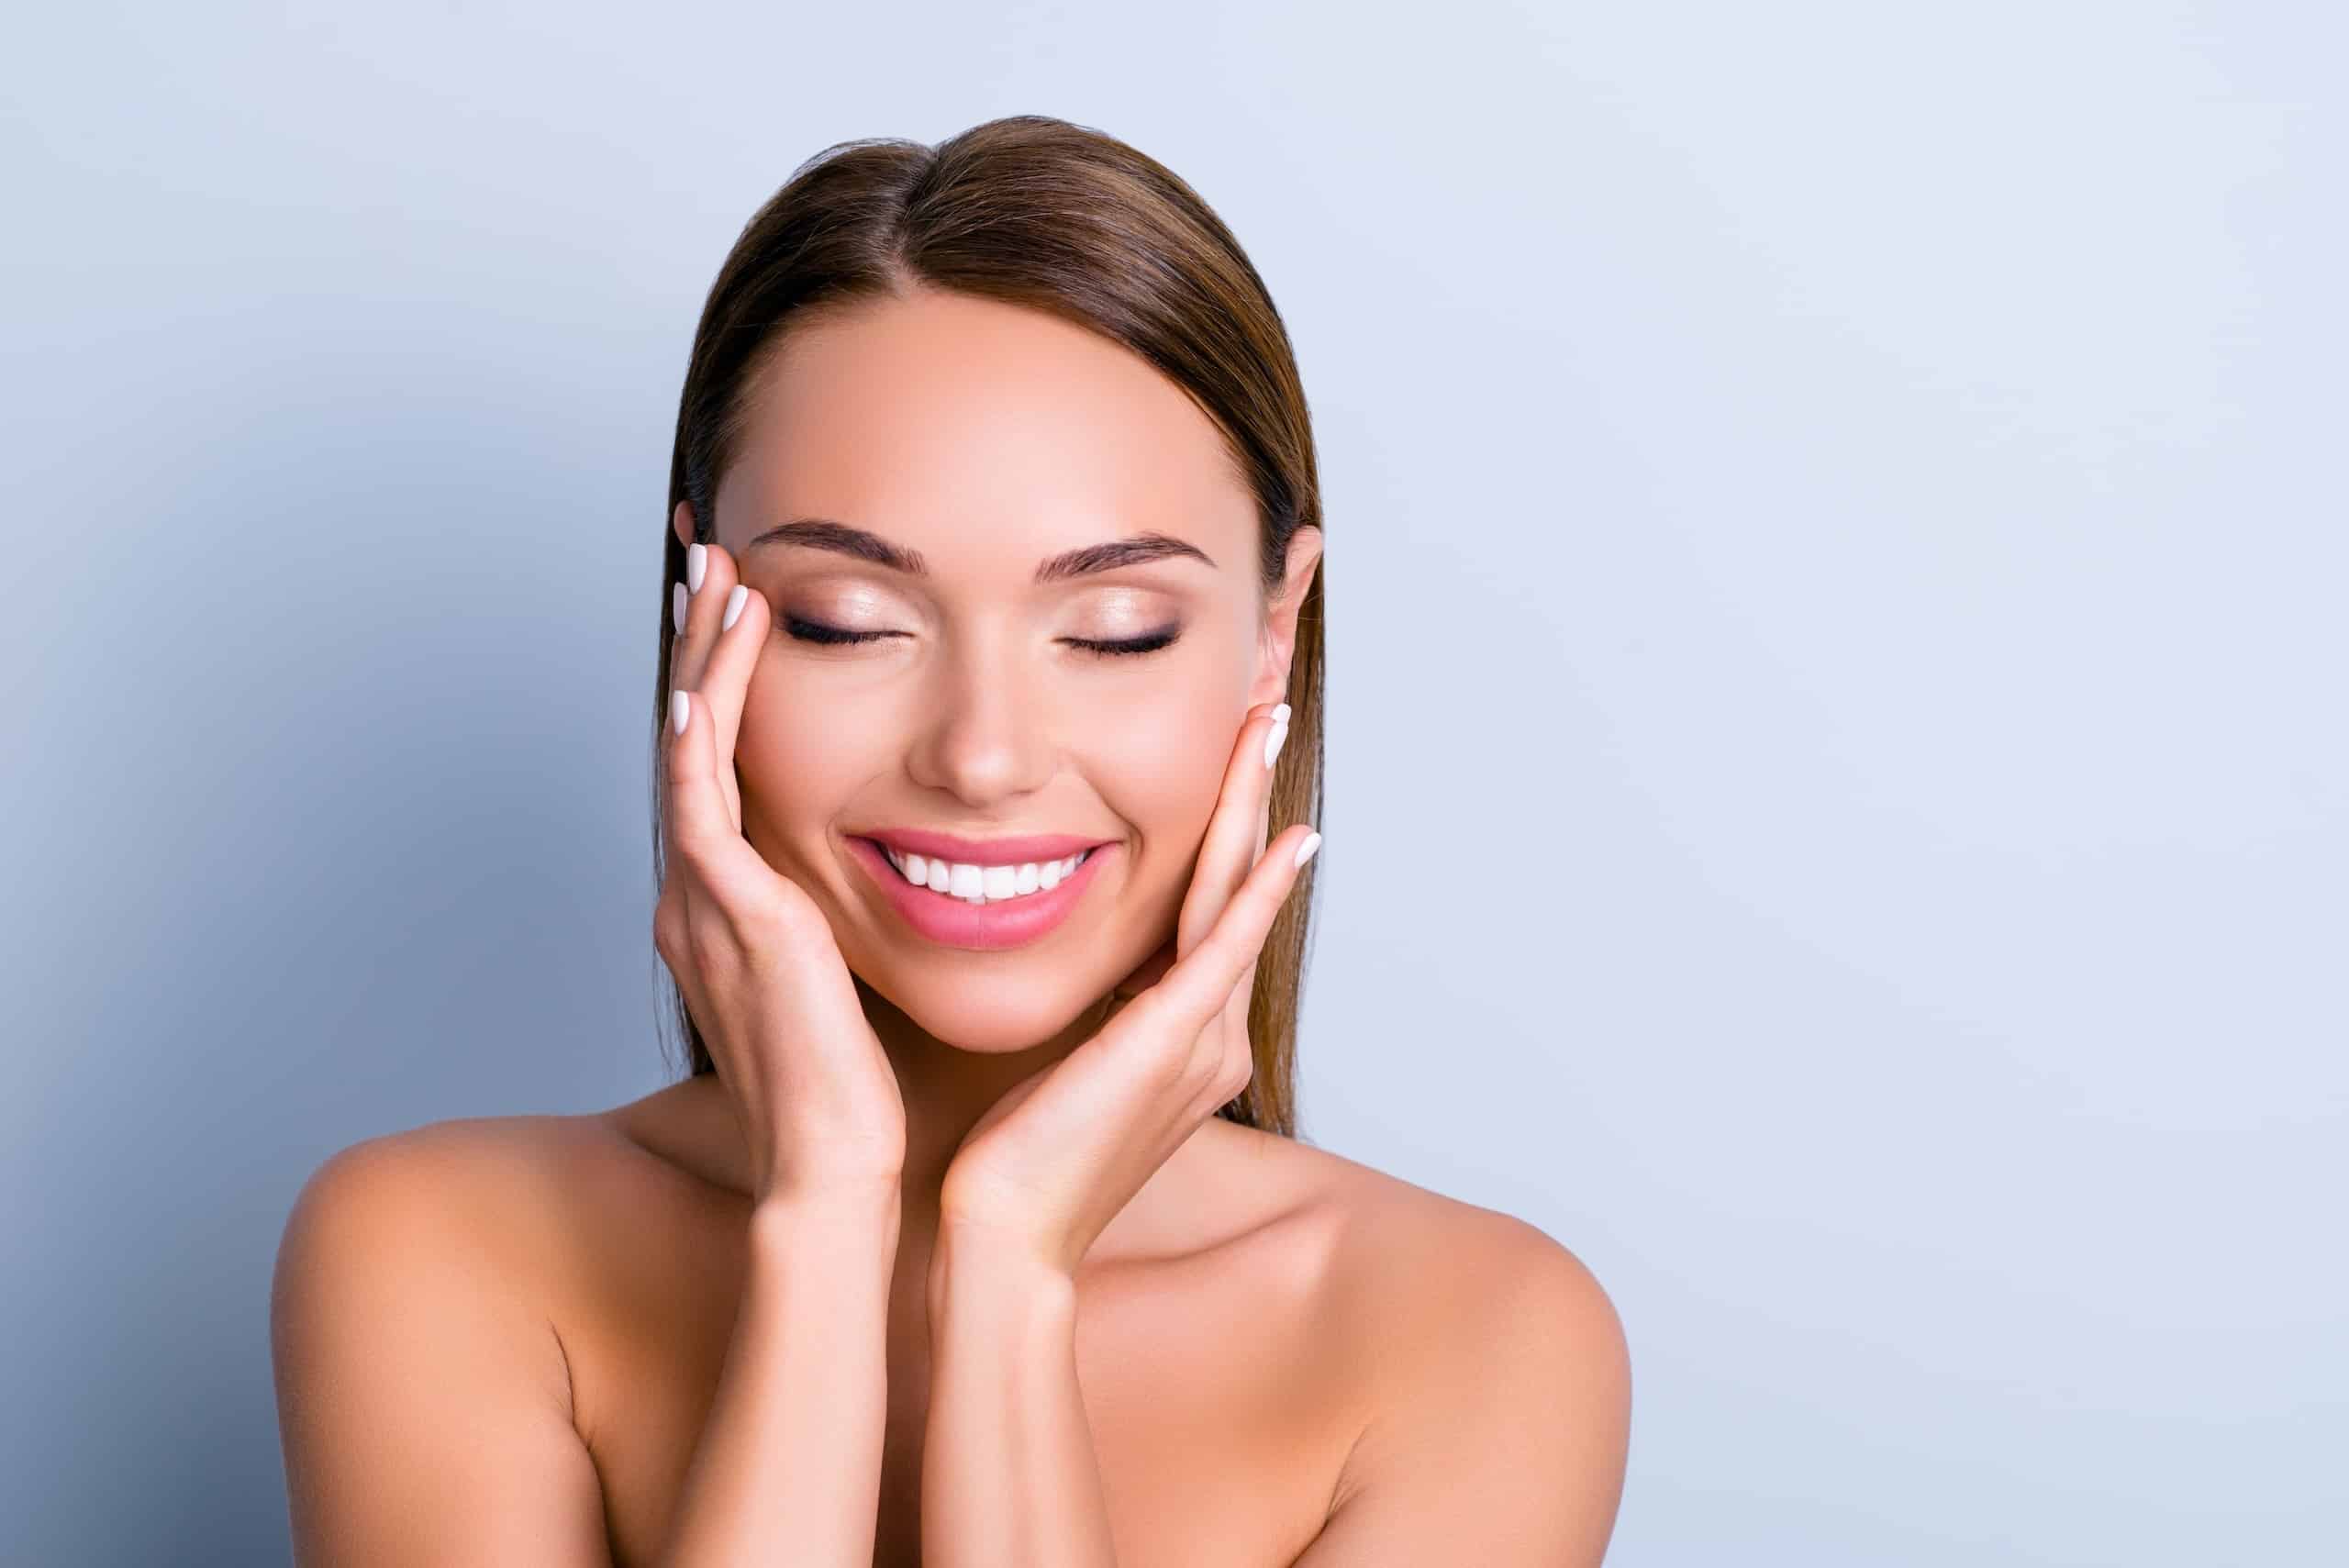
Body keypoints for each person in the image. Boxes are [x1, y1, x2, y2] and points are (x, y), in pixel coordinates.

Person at [269, 113, 1631, 1566]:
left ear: (1271, 631)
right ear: (700, 618)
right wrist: (825, 1216)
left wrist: (1013, 1266)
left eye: (1115, 632)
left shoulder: (1479, 1338)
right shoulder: (435, 1255)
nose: (980, 756)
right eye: (848, 622)